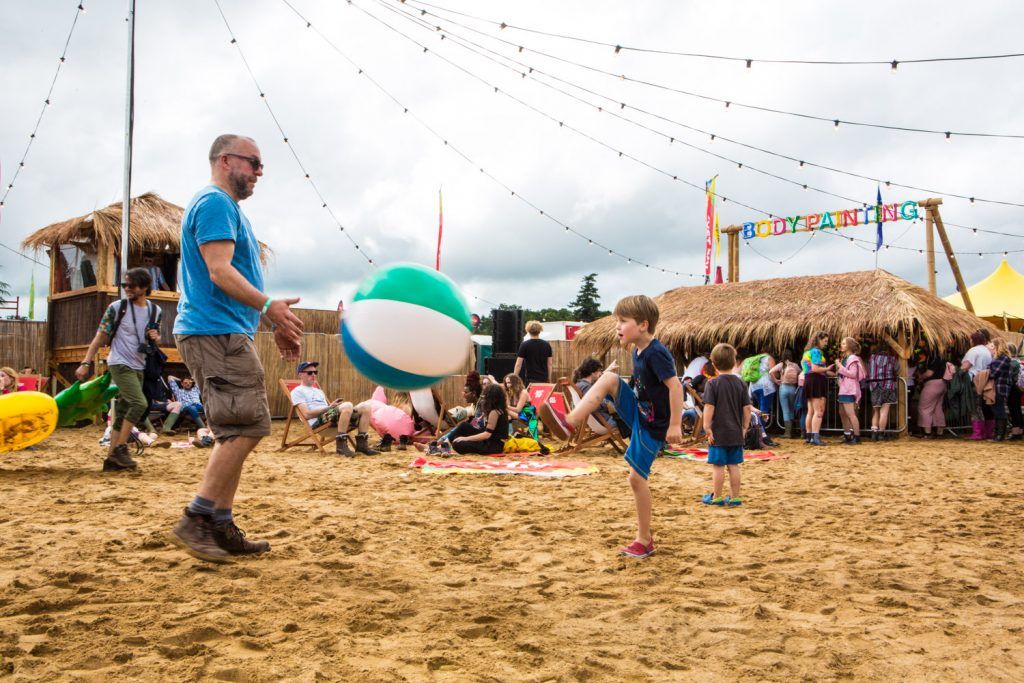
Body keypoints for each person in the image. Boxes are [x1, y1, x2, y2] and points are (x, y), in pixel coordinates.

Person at [169, 133, 304, 563]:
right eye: (254, 163)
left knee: (236, 428)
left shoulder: (225, 209)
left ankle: (221, 525)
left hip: (221, 331)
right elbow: (219, 271)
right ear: (226, 160)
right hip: (214, 333)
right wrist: (269, 307)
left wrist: (271, 317)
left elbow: (230, 278)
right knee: (247, 426)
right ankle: (198, 517)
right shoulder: (214, 204)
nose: (260, 173)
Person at [566, 295, 683, 559]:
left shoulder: (657, 353)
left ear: (642, 325)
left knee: (635, 478)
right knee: (608, 377)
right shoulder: (637, 351)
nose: (617, 326)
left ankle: (644, 540)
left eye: (622, 321)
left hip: (653, 427)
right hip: (640, 415)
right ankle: (572, 419)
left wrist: (675, 424)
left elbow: (675, 386)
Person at [77, 267, 161, 471]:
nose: (126, 289)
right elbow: (100, 336)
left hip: (140, 365)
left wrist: (156, 338)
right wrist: (86, 362)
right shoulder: (117, 307)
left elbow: (156, 337)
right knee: (138, 403)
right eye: (124, 285)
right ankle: (121, 447)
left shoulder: (155, 310)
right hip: (119, 363)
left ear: (144, 286)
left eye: (131, 285)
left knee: (123, 411)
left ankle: (111, 460)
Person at [290, 361, 377, 456]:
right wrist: (329, 408)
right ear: (300, 375)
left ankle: (362, 446)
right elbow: (306, 414)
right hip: (317, 422)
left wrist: (332, 406)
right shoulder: (297, 391)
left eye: (315, 372)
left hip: (328, 417)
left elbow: (327, 409)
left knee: (366, 407)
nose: (314, 375)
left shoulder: (318, 391)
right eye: (310, 373)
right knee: (347, 405)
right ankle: (341, 447)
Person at [701, 343, 751, 506]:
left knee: (718, 466)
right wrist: (744, 427)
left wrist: (707, 427)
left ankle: (717, 497)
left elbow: (709, 406)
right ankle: (735, 497)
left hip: (718, 432)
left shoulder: (712, 384)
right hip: (735, 431)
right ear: (734, 361)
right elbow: (747, 408)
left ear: (714, 364)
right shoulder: (741, 383)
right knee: (733, 465)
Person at [442, 383, 510, 455]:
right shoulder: (496, 409)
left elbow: (487, 434)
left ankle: (444, 447)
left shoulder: (495, 412)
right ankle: (444, 446)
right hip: (489, 440)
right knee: (464, 426)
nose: (484, 398)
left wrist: (465, 438)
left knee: (457, 444)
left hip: (494, 445)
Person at [572, 357, 627, 437]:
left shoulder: (579, 385)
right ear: (592, 372)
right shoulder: (586, 387)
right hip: (606, 422)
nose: (601, 374)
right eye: (599, 371)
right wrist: (608, 404)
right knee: (631, 419)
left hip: (597, 422)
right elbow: (596, 406)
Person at [961, 331, 993, 440]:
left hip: (974, 380)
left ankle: (977, 433)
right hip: (986, 380)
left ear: (974, 340)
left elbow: (965, 366)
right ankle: (989, 432)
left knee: (975, 406)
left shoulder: (973, 351)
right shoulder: (987, 350)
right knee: (985, 406)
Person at [801, 332, 831, 447]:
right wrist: (827, 368)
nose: (826, 344)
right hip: (816, 380)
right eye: (825, 341)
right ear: (819, 339)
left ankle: (809, 436)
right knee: (819, 411)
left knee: (811, 411)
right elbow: (815, 368)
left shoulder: (807, 352)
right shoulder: (816, 352)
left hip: (809, 380)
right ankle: (815, 437)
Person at [834, 337, 865, 445]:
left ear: (849, 346)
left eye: (843, 343)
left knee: (850, 414)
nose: (841, 345)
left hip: (849, 389)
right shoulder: (845, 357)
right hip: (844, 388)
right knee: (842, 412)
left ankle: (856, 437)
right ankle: (847, 435)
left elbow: (852, 374)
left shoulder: (852, 358)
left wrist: (839, 366)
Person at [868, 342, 899, 442]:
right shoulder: (892, 359)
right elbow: (897, 370)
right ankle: (881, 433)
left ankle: (874, 433)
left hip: (874, 386)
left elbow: (869, 370)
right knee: (884, 412)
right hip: (888, 385)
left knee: (876, 411)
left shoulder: (872, 358)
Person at [914, 352, 949, 438]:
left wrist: (921, 377)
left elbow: (929, 373)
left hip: (932, 385)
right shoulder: (943, 359)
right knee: (938, 408)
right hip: (943, 384)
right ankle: (939, 432)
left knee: (924, 408)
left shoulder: (934, 359)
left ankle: (927, 433)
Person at [769, 350, 801, 438]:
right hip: (793, 388)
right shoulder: (795, 365)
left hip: (783, 388)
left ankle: (787, 433)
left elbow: (770, 371)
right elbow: (801, 372)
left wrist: (776, 380)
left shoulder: (781, 365)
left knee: (785, 410)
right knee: (792, 409)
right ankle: (794, 431)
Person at [988, 338, 1013, 442]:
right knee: (997, 409)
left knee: (999, 410)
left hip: (1000, 387)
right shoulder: (1001, 358)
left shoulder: (1002, 358)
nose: (991, 348)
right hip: (999, 387)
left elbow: (994, 373)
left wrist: (988, 370)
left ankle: (1000, 435)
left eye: (993, 346)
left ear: (998, 347)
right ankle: (998, 434)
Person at [514, 320, 552, 385]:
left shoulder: (524, 345)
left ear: (528, 331)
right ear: (540, 331)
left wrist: (514, 378)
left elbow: (518, 364)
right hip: (543, 378)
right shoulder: (547, 345)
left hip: (530, 379)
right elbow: (550, 364)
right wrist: (549, 378)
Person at [748, 353, 777, 430]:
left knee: (760, 409)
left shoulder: (755, 359)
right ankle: (761, 432)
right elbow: (772, 372)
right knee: (764, 409)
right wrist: (776, 381)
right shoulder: (769, 358)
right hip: (766, 386)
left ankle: (758, 429)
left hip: (754, 386)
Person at [1008, 343, 1023, 441]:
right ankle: (1020, 430)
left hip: (1012, 388)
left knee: (1013, 410)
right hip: (1019, 387)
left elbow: (1009, 377)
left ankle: (1015, 432)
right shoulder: (1018, 361)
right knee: (1017, 409)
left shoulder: (1011, 363)